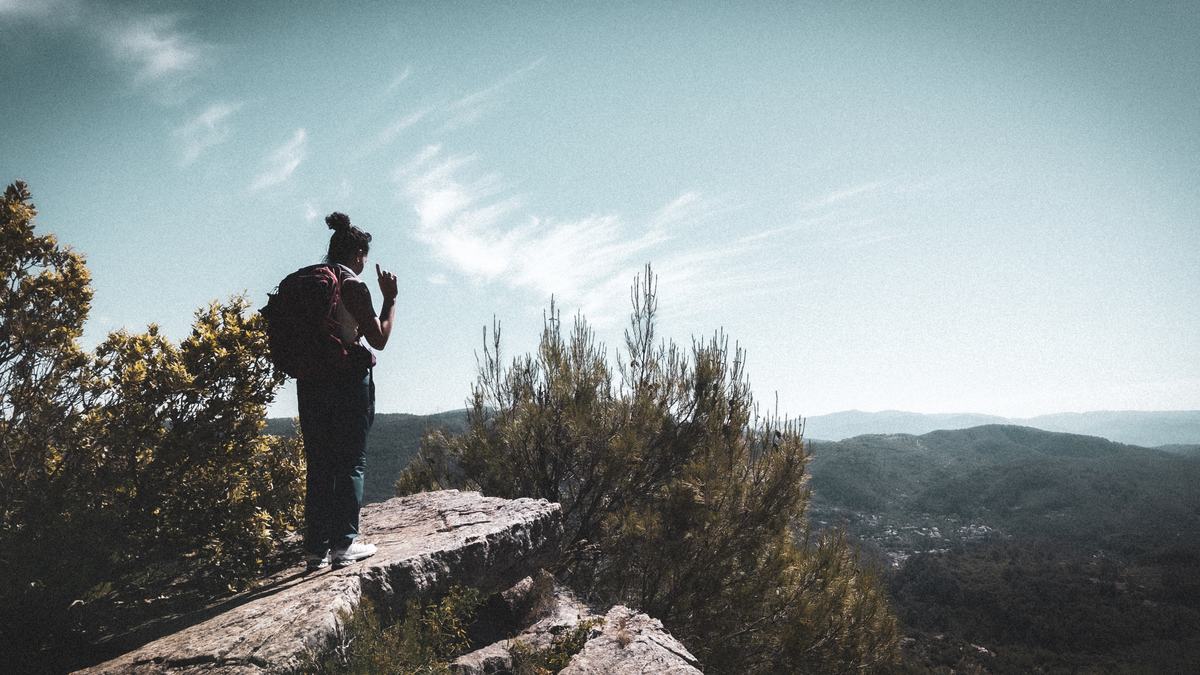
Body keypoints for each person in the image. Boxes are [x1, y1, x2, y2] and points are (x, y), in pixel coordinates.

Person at [299, 212, 397, 571]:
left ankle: (315, 551)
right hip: (345, 380)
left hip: (309, 381)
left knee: (320, 464)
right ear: (358, 253)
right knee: (351, 461)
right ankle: (343, 546)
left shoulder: (312, 282)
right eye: (364, 256)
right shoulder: (351, 283)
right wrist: (390, 299)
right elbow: (379, 339)